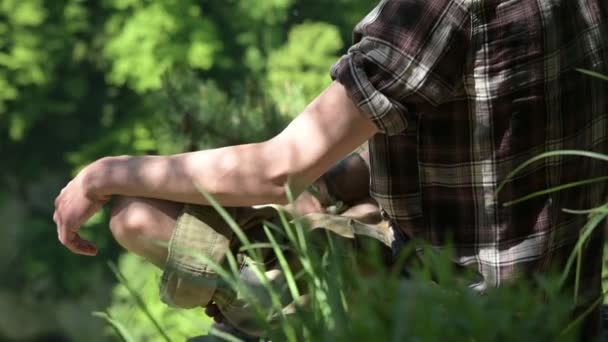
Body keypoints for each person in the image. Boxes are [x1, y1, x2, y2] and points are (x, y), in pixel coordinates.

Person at [54, 0, 608, 338]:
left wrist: (99, 173)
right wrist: (327, 182)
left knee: (136, 213)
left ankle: (286, 316)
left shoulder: (435, 10)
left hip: (452, 314)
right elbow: (481, 147)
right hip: (561, 311)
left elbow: (277, 169)